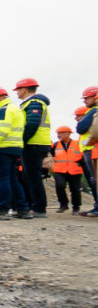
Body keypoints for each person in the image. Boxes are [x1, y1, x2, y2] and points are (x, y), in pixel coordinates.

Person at [0, 85, 30, 220]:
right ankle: (23, 209)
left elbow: (2, 130)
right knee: (13, 179)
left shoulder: (3, 110)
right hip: (14, 147)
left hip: (1, 147)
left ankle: (2, 210)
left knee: (2, 179)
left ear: (3, 97)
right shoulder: (14, 109)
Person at [14, 78, 52, 217]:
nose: (17, 93)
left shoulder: (34, 103)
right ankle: (34, 206)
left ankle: (39, 208)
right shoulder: (31, 103)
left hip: (34, 143)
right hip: (35, 143)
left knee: (33, 177)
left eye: (18, 89)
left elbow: (32, 125)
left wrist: (21, 141)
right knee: (29, 176)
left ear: (24, 89)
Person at [51, 126, 84, 213]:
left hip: (75, 170)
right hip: (60, 170)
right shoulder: (54, 145)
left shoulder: (77, 144)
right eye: (58, 133)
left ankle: (76, 207)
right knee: (60, 186)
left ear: (68, 133)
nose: (58, 135)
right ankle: (63, 204)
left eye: (61, 133)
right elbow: (47, 154)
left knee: (75, 189)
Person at [78, 88, 98, 216]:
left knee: (94, 180)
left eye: (87, 98)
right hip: (91, 150)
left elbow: (81, 128)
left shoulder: (93, 111)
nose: (85, 100)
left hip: (93, 149)